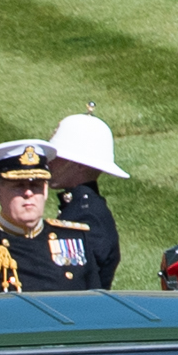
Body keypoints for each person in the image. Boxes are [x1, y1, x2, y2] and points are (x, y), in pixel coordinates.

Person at [0, 140, 96, 295]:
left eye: (35, 186)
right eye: (18, 186)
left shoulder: (76, 239)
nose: (28, 193)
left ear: (45, 191)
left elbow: (96, 305)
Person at [46, 108, 127, 290]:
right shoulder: (81, 208)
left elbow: (75, 280)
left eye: (58, 156)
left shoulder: (87, 216)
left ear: (80, 165)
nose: (49, 161)